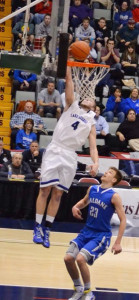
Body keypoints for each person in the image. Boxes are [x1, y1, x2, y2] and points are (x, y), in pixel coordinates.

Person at [33, 66, 99, 248]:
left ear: (94, 105)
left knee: (58, 193)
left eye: (90, 98)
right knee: (45, 190)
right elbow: (69, 83)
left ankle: (47, 229)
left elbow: (93, 146)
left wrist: (96, 162)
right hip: (56, 149)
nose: (86, 96)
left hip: (70, 155)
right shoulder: (72, 104)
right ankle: (37, 226)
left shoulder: (92, 120)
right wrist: (68, 66)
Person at [64, 167, 126, 300]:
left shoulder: (114, 196)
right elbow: (85, 201)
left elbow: (123, 220)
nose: (106, 172)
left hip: (101, 236)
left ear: (114, 180)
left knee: (80, 259)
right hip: (86, 232)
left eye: (110, 172)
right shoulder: (92, 189)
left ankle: (88, 292)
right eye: (107, 171)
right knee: (68, 258)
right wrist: (75, 207)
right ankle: (78, 289)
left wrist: (118, 242)